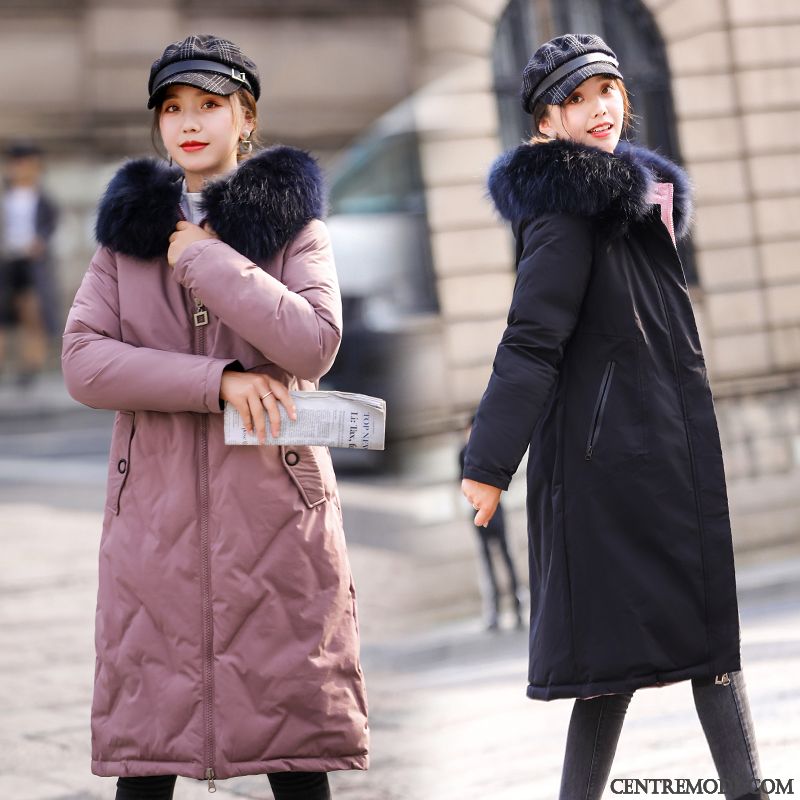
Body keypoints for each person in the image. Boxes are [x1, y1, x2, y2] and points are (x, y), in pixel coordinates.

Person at [460, 34, 768, 800]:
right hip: (611, 475)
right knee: (619, 671)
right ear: (545, 123)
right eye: (575, 99)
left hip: (665, 456)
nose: (598, 109)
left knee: (700, 652)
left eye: (607, 91)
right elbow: (532, 342)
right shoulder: (566, 211)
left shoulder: (640, 203)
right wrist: (487, 464)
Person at [61, 34, 368, 800]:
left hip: (276, 514)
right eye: (173, 108)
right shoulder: (123, 246)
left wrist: (202, 256)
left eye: (209, 104)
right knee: (148, 746)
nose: (189, 122)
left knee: (296, 748)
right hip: (153, 519)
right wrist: (219, 380)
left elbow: (313, 343)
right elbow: (83, 362)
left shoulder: (296, 229)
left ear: (246, 117)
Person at [0, 142, 59, 385]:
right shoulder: (5, 196)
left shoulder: (43, 200)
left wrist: (39, 243)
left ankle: (31, 366)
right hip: (5, 260)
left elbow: (48, 228)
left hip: (32, 263)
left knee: (32, 313)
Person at [458, 416, 524, 630]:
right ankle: (493, 613)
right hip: (475, 512)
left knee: (508, 559)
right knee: (486, 564)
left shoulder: (489, 446)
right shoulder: (462, 453)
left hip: (497, 510)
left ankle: (517, 608)